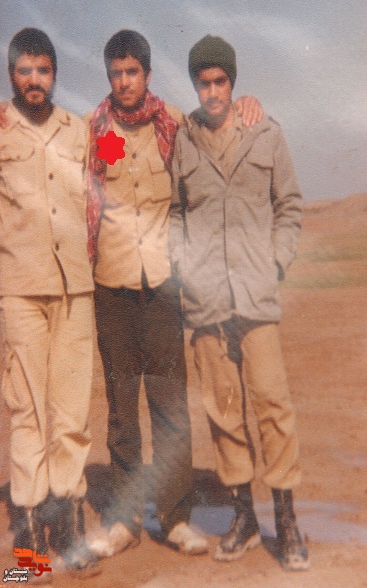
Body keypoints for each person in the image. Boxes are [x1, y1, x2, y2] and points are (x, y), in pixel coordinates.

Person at [85, 29, 264, 559]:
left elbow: (222, 125)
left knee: (169, 407)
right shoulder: (91, 132)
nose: (124, 82)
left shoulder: (178, 127)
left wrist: (249, 104)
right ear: (109, 77)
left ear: (147, 74)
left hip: (163, 286)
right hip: (111, 285)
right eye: (116, 74)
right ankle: (123, 521)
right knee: (122, 409)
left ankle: (176, 517)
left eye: (132, 72)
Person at [169, 34, 310, 572]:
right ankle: (244, 517)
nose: (212, 92)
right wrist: (183, 265)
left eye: (220, 81)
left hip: (255, 296)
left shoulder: (265, 132)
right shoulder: (183, 141)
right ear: (194, 85)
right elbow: (176, 213)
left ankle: (287, 519)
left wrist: (275, 263)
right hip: (206, 301)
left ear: (233, 83)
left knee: (273, 405)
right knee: (224, 411)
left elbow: (288, 205)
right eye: (203, 83)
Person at [0, 28, 99, 577]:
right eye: (24, 71)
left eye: (43, 70)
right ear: (11, 75)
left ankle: (68, 523)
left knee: (71, 413)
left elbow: (124, 158)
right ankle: (29, 536)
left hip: (75, 290)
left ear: (55, 74)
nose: (34, 80)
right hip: (20, 288)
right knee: (27, 409)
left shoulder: (80, 131)